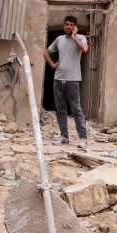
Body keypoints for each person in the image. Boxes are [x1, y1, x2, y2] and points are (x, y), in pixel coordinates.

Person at [44, 15, 90, 149]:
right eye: (67, 24)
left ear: (75, 26)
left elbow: (85, 49)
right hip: (58, 79)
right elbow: (46, 52)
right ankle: (64, 137)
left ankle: (83, 138)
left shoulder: (80, 38)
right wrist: (52, 64)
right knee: (61, 110)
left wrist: (75, 37)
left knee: (76, 109)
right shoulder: (59, 39)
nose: (68, 27)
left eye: (71, 25)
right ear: (63, 25)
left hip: (73, 80)